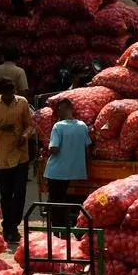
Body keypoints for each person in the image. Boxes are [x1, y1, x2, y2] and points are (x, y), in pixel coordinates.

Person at [0, 77, 34, 243]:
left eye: (11, 95)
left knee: (19, 191)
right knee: (5, 194)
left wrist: (25, 136)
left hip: (20, 154)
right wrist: (0, 128)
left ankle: (13, 225)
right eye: (6, 95)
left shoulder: (22, 102)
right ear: (0, 93)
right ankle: (8, 226)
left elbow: (31, 124)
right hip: (2, 157)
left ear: (15, 92)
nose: (9, 97)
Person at [44, 99, 91, 232]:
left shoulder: (58, 126)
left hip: (56, 171)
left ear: (63, 109)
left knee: (54, 201)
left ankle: (57, 230)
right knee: (62, 199)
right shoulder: (82, 126)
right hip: (72, 171)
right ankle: (63, 228)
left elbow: (54, 148)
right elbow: (87, 149)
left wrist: (47, 147)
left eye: (58, 110)